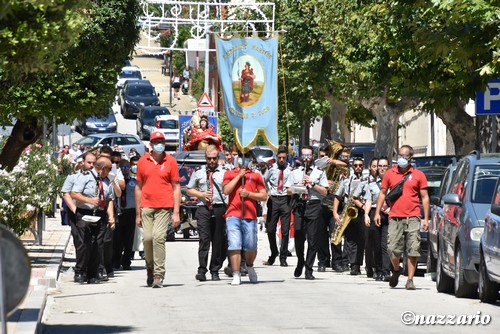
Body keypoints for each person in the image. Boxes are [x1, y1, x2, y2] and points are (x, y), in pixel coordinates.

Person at [374, 145, 429, 290]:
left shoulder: (418, 175)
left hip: (413, 216)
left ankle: (410, 280)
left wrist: (426, 218)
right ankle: (396, 269)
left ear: (411, 157)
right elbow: (383, 193)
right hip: (395, 217)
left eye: (405, 156)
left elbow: (424, 197)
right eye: (400, 156)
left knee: (413, 248)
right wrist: (377, 212)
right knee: (392, 249)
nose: (401, 159)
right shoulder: (390, 174)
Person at [135, 131, 181, 288]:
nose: (159, 144)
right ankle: (150, 268)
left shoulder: (171, 161)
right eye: (156, 141)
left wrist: (176, 212)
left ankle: (158, 275)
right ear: (151, 144)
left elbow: (176, 187)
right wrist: (138, 213)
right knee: (147, 239)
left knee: (158, 237)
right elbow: (138, 188)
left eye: (162, 141)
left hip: (164, 206)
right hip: (146, 206)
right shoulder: (142, 162)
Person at [223, 150, 267, 285]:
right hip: (233, 215)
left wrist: (248, 194)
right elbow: (226, 190)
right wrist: (238, 176)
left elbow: (264, 195)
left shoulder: (256, 176)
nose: (243, 161)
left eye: (246, 158)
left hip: (249, 215)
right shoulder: (229, 173)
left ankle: (249, 266)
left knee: (251, 246)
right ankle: (236, 273)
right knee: (234, 244)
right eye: (241, 158)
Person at [285, 146, 329, 280]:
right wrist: (298, 185)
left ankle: (309, 269)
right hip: (299, 205)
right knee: (299, 237)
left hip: (314, 205)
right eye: (304, 156)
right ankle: (300, 261)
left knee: (313, 239)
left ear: (313, 157)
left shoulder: (319, 172)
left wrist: (312, 183)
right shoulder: (295, 172)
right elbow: (288, 191)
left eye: (309, 156)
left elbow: (325, 192)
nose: (306, 158)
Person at [71, 156, 116, 284]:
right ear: (102, 169)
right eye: (108, 169)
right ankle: (80, 272)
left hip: (100, 214)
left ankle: (93, 274)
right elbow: (74, 194)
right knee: (84, 244)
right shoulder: (85, 177)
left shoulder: (107, 181)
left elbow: (109, 200)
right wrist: (89, 200)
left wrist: (111, 217)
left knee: (97, 244)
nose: (110, 172)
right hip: (85, 213)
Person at [186, 145, 228, 281]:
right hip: (203, 208)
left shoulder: (224, 172)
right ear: (205, 158)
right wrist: (201, 194)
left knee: (218, 241)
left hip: (219, 207)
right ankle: (202, 269)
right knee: (204, 240)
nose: (211, 161)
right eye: (209, 158)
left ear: (218, 158)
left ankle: (215, 270)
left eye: (214, 158)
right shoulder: (198, 172)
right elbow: (189, 189)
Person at [61, 152, 96, 283]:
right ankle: (81, 270)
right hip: (77, 212)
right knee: (80, 242)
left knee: (93, 242)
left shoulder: (97, 177)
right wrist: (75, 210)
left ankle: (90, 270)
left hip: (93, 212)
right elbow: (66, 194)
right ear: (82, 162)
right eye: (89, 163)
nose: (91, 165)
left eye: (93, 163)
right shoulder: (73, 176)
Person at [333, 156, 366, 275]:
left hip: (361, 210)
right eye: (356, 165)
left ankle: (357, 264)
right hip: (348, 210)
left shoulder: (366, 180)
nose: (358, 168)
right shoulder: (346, 180)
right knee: (349, 239)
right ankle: (352, 264)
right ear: (353, 166)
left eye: (360, 165)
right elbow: (338, 196)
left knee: (361, 239)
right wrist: (335, 212)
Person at [263, 146, 292, 267]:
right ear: (276, 157)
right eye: (279, 157)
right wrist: (266, 191)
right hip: (274, 199)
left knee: (285, 231)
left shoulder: (290, 170)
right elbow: (264, 180)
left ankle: (283, 256)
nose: (281, 160)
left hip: (285, 199)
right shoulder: (271, 169)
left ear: (286, 158)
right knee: (270, 229)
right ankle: (274, 251)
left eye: (283, 158)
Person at [363, 157, 392, 281]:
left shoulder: (393, 183)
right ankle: (378, 270)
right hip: (375, 212)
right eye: (380, 166)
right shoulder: (371, 183)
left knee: (386, 244)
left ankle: (386, 270)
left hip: (388, 213)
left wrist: (391, 208)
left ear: (388, 167)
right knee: (376, 244)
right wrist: (366, 214)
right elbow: (369, 200)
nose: (382, 168)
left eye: (385, 166)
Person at [112, 159, 137, 271]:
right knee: (117, 239)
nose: (125, 171)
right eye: (123, 168)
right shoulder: (115, 182)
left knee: (128, 239)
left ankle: (126, 261)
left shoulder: (134, 182)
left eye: (127, 168)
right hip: (118, 212)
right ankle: (116, 261)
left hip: (130, 212)